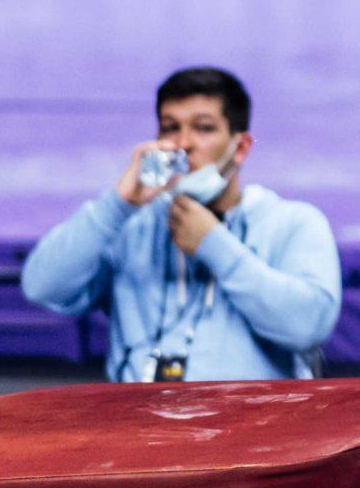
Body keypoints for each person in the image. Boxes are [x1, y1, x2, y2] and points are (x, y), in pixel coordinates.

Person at [20, 67, 342, 384]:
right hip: (140, 426)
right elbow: (42, 287)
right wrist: (118, 203)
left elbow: (307, 326)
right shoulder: (133, 225)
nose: (184, 144)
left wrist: (214, 244)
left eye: (203, 128)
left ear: (241, 147)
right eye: (170, 128)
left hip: (252, 428)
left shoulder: (293, 222)